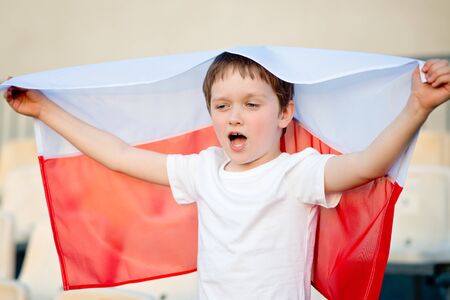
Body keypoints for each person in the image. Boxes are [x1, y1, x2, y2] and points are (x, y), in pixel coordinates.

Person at [3, 53, 450, 299]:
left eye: (252, 105)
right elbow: (119, 155)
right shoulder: (204, 170)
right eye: (223, 106)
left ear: (285, 114)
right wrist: (43, 109)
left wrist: (418, 106)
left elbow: (370, 164)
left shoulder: (298, 171)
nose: (235, 116)